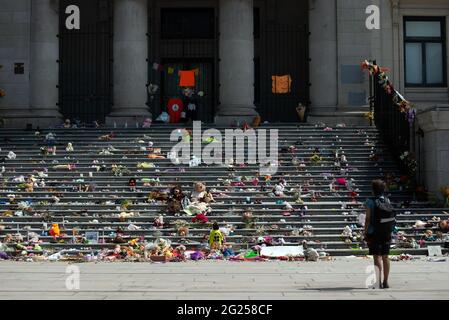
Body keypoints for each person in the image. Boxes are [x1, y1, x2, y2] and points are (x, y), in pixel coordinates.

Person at [364, 179, 395, 289]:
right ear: (383, 189)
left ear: (373, 190)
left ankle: (378, 282)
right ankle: (386, 281)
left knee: (377, 257)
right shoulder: (387, 200)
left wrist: (365, 232)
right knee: (386, 257)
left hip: (374, 232)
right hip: (386, 232)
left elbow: (367, 219)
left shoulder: (369, 201)